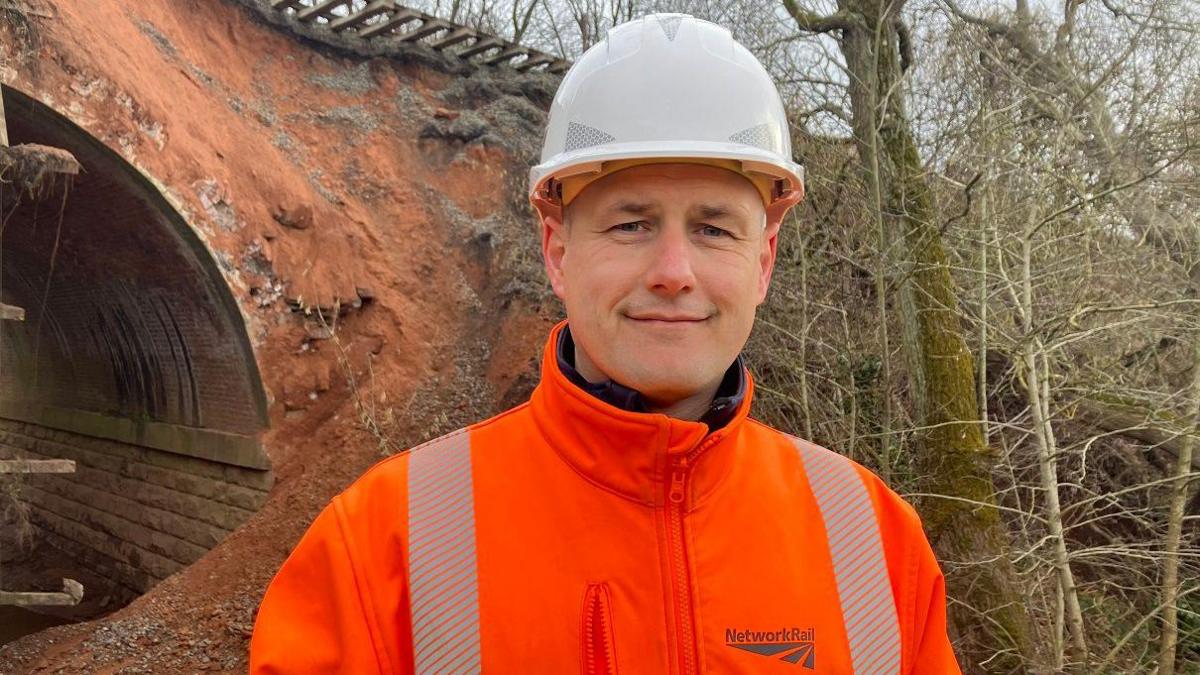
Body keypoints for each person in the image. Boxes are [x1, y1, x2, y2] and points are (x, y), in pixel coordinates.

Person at [250, 13, 960, 674]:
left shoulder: (875, 547)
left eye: (714, 228)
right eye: (631, 225)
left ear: (765, 261)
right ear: (557, 253)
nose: (674, 273)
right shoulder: (382, 547)